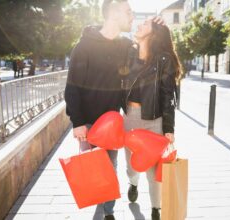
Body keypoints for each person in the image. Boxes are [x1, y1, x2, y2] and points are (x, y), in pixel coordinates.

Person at [64, 1, 134, 219]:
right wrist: (77, 122)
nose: (132, 16)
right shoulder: (84, 46)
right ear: (113, 13)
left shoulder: (125, 46)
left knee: (110, 168)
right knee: (93, 170)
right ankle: (101, 205)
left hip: (111, 122)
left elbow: (146, 57)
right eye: (128, 12)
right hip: (87, 123)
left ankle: (108, 212)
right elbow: (72, 86)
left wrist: (157, 28)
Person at [122, 19, 181, 220]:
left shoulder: (164, 60)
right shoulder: (128, 53)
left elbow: (168, 96)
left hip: (154, 120)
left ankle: (156, 209)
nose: (138, 25)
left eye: (145, 24)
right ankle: (133, 183)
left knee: (154, 172)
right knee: (132, 167)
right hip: (130, 118)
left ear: (154, 33)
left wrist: (168, 128)